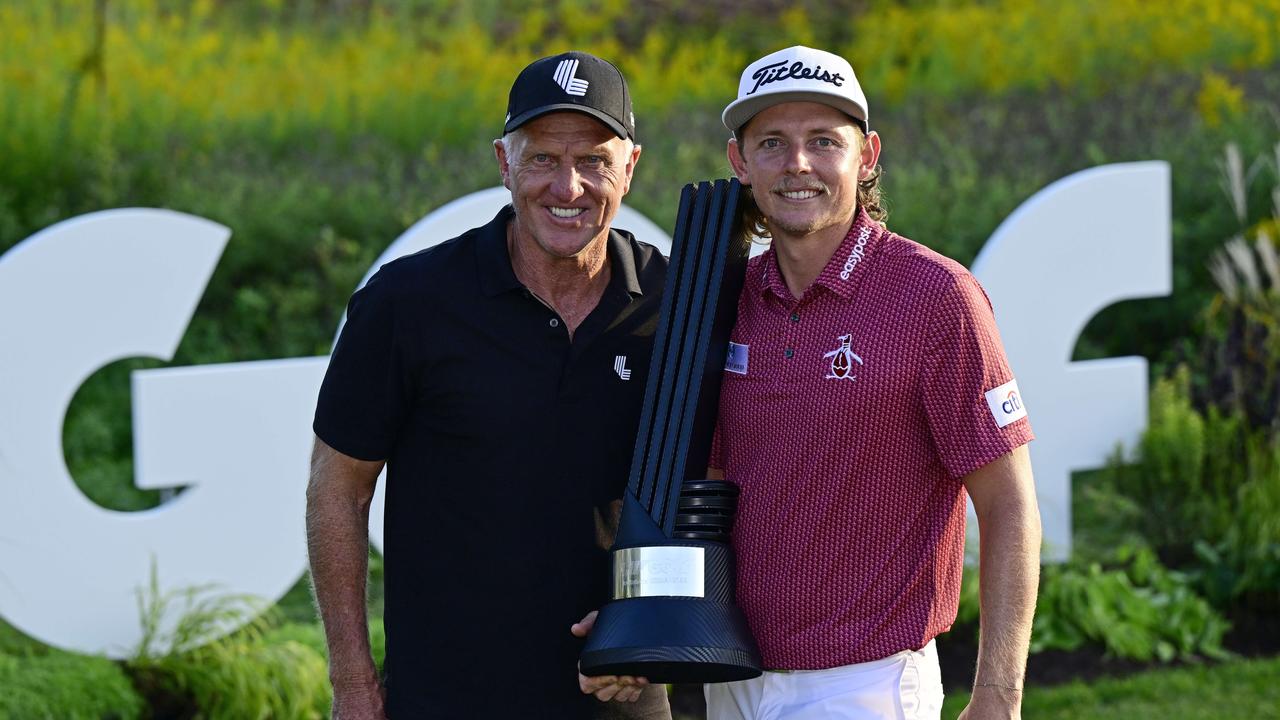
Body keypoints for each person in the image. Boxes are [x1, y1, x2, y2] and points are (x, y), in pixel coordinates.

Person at [306, 50, 672, 719]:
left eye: (593, 159)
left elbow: (709, 483)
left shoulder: (676, 305)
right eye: (542, 159)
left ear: (631, 168)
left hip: (619, 693)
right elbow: (339, 488)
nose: (568, 187)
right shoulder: (407, 303)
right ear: (504, 164)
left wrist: (648, 620)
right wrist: (352, 683)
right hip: (447, 694)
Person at [713, 45, 1041, 719]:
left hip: (865, 687)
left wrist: (999, 697)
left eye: (823, 142)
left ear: (866, 156)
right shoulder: (725, 298)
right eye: (772, 142)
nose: (797, 164)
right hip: (732, 678)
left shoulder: (936, 298)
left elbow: (1009, 507)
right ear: (740, 163)